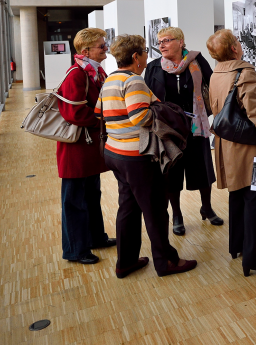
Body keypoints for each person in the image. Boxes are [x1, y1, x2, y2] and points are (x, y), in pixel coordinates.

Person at [96, 34, 197, 278]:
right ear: (135, 57)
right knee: (155, 211)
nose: (146, 55)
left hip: (115, 153)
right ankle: (166, 262)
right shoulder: (133, 81)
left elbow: (99, 113)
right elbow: (140, 117)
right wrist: (161, 111)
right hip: (137, 156)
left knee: (128, 208)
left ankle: (126, 262)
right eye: (143, 51)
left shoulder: (110, 80)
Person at [207, 29, 256, 277]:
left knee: (237, 195)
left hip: (227, 148)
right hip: (253, 152)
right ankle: (253, 260)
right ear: (234, 48)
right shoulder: (245, 73)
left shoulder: (216, 74)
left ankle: (237, 248)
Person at [144, 27, 221, 236]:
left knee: (203, 170)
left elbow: (213, 86)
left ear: (181, 42)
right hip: (169, 130)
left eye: (167, 40)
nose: (161, 45)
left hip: (196, 126)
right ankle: (177, 215)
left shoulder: (197, 61)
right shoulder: (153, 68)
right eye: (159, 41)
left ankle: (207, 207)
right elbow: (147, 97)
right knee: (172, 174)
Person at [56, 28, 115, 265]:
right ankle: (75, 250)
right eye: (102, 46)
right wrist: (104, 119)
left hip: (87, 147)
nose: (106, 49)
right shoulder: (76, 74)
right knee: (74, 200)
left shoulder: (94, 72)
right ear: (85, 51)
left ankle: (95, 238)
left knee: (91, 195)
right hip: (76, 149)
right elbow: (74, 113)